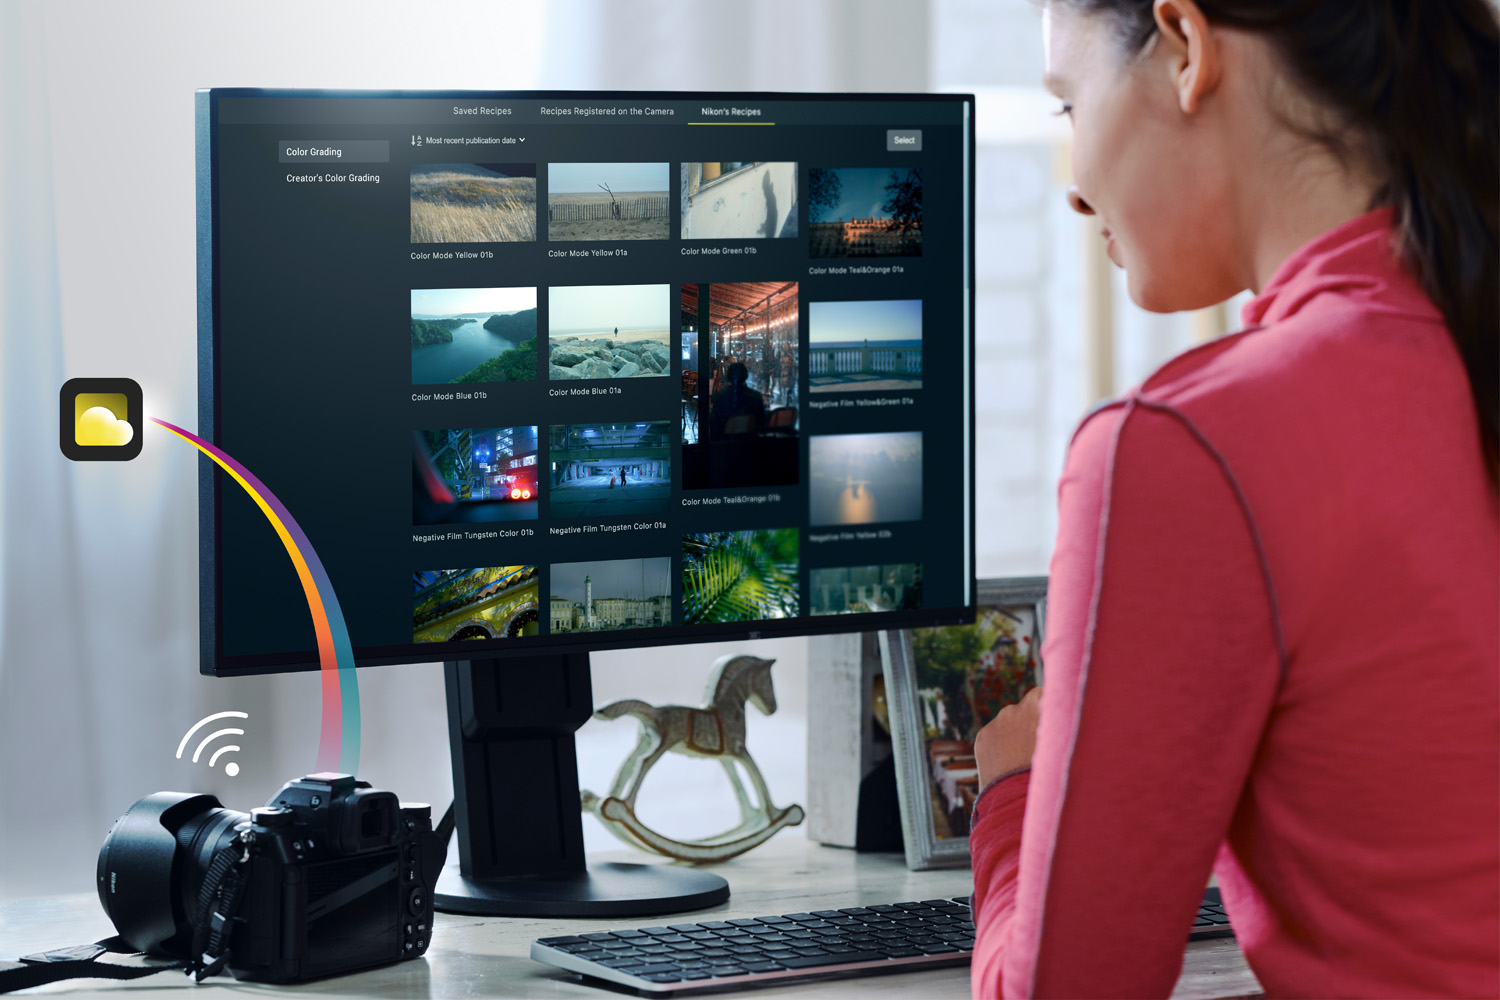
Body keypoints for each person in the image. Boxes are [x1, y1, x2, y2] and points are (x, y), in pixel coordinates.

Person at [967, 2, 1498, 997]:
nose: (1076, 190)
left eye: (1070, 107)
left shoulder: (1186, 447)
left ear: (1185, 47)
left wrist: (1013, 789)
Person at [708, 362, 767, 437]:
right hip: (751, 442)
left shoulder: (720, 396)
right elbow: (761, 423)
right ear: (746, 376)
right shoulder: (756, 396)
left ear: (728, 376)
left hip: (727, 443)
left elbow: (715, 426)